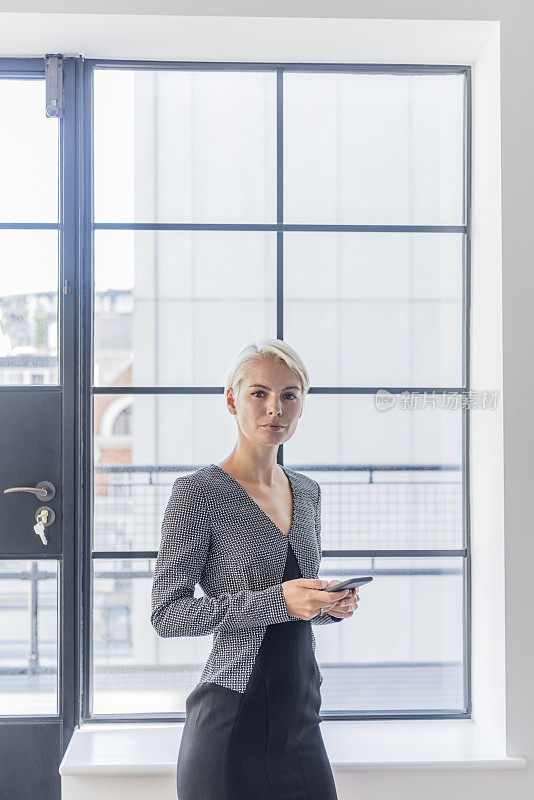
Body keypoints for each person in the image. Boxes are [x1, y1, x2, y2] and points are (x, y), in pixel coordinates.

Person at [151, 338, 359, 799]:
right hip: (231, 720)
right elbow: (167, 615)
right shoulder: (197, 493)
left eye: (289, 395)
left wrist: (327, 605)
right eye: (258, 394)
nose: (274, 409)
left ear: (302, 406)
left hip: (301, 719)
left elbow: (290, 609)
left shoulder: (307, 491)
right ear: (232, 400)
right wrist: (279, 600)